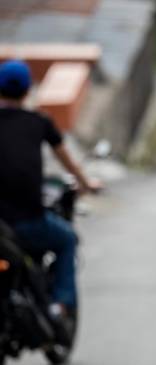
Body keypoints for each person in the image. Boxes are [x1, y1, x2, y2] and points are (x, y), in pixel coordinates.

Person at [0, 59, 101, 317]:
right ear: (27, 90)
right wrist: (86, 182)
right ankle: (60, 303)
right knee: (67, 239)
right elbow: (65, 159)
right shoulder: (39, 121)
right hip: (27, 221)